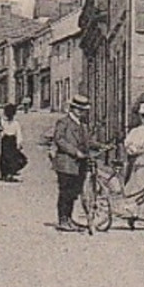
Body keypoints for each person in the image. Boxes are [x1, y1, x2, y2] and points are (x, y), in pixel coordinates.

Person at [51, 94, 93, 232]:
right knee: (65, 192)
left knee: (74, 192)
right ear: (72, 108)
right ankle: (63, 220)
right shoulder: (64, 122)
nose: (80, 112)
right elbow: (60, 140)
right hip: (66, 163)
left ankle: (69, 218)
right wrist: (75, 152)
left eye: (83, 110)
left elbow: (88, 142)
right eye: (78, 109)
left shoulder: (83, 125)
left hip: (80, 164)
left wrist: (101, 146)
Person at [0, 103, 27, 181]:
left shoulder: (3, 122)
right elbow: (18, 134)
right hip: (12, 140)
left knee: (4, 157)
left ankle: (4, 173)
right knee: (11, 157)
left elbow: (0, 132)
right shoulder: (16, 123)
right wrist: (19, 143)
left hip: (6, 140)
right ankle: (9, 173)